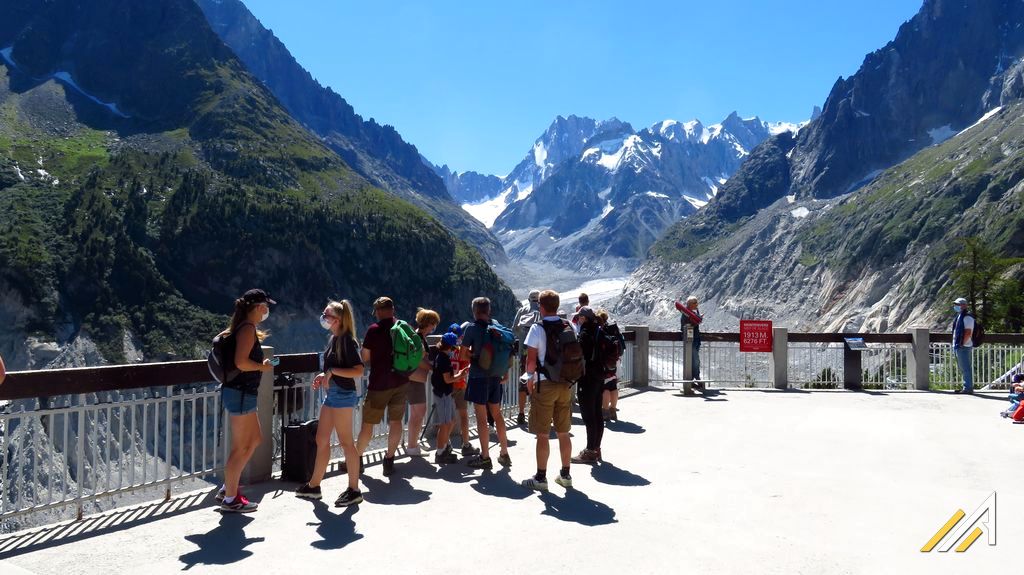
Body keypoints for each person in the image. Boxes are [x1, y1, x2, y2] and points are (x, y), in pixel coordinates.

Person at [296, 300, 366, 506]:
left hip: (343, 395)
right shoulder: (334, 339)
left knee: (346, 442)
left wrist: (332, 372)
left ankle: (354, 490)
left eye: (327, 315)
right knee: (322, 438)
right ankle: (314, 485)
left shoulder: (347, 341)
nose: (323, 318)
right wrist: (323, 375)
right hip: (333, 394)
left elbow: (358, 370)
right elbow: (333, 367)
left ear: (338, 319)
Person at [218, 289, 276, 513]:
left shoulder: (241, 327)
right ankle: (230, 499)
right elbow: (241, 362)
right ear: (258, 307)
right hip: (241, 393)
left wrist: (261, 363)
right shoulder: (248, 329)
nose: (267, 310)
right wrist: (263, 366)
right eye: (265, 306)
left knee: (254, 440)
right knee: (240, 447)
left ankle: (228, 488)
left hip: (242, 392)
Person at [521, 290, 574, 490]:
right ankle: (565, 475)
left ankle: (540, 478)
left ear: (541, 307)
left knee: (542, 434)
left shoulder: (537, 328)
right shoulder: (568, 326)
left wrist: (529, 380)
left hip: (545, 384)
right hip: (565, 384)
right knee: (564, 432)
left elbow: (531, 360)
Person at [356, 297, 410, 476]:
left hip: (379, 384)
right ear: (393, 309)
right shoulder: (402, 326)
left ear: (378, 311)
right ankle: (389, 460)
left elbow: (364, 358)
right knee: (396, 422)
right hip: (401, 382)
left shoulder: (374, 330)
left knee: (368, 424)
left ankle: (357, 460)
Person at [461, 297, 512, 469]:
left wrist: (475, 357)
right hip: (496, 376)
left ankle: (484, 457)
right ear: (488, 310)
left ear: (474, 311)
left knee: (482, 419)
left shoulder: (471, 328)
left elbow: (462, 355)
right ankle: (504, 453)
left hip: (478, 377)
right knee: (497, 415)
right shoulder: (496, 326)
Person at [572, 306, 605, 464]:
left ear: (584, 318)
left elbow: (579, 354)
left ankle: (589, 451)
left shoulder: (585, 332)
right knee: (598, 413)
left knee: (588, 415)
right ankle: (596, 448)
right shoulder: (599, 329)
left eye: (579, 317)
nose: (578, 320)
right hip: (600, 376)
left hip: (587, 378)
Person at [406, 308, 440, 456]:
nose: (435, 327)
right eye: (434, 324)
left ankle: (413, 444)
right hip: (414, 380)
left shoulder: (417, 336)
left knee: (416, 413)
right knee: (419, 413)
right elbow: (419, 360)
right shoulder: (419, 338)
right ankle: (412, 447)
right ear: (429, 323)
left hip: (413, 379)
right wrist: (433, 368)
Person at [432, 332, 469, 464]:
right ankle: (440, 452)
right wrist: (461, 375)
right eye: (454, 348)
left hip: (443, 393)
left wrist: (458, 373)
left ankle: (444, 446)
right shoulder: (444, 359)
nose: (455, 351)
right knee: (445, 424)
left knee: (451, 421)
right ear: (450, 347)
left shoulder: (440, 356)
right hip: (443, 394)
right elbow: (448, 380)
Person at [448, 323, 479, 457]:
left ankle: (445, 444)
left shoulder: (445, 348)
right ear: (461, 336)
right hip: (460, 385)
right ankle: (466, 444)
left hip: (447, 385)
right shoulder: (462, 350)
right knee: (464, 416)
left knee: (447, 417)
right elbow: (469, 365)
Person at [513, 290, 541, 426]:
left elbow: (514, 329)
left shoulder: (522, 311)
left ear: (529, 299)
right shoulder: (543, 311)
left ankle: (521, 413)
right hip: (540, 354)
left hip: (524, 352)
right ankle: (535, 411)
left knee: (523, 383)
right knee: (538, 382)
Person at [596, 309, 624, 420]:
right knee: (613, 386)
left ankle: (605, 411)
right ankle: (613, 410)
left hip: (604, 364)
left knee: (605, 388)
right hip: (614, 362)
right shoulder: (613, 329)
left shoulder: (602, 331)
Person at [675, 295, 703, 383]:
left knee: (694, 359)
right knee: (695, 359)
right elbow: (687, 327)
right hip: (691, 341)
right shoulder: (686, 314)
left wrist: (698, 318)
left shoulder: (692, 313)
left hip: (696, 339)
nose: (697, 304)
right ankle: (695, 377)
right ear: (689, 304)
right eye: (695, 303)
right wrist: (697, 321)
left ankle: (694, 377)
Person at [952, 297, 975, 394]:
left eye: (957, 304)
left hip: (964, 347)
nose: (955, 306)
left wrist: (961, 343)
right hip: (959, 346)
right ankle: (966, 386)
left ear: (964, 306)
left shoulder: (967, 318)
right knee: (963, 367)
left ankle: (968, 388)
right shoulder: (960, 316)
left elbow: (968, 332)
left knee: (965, 368)